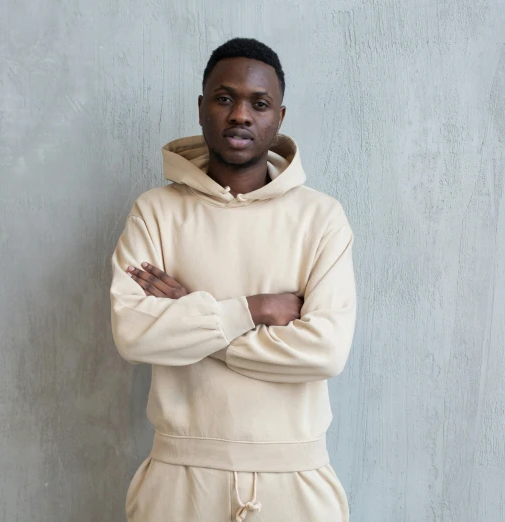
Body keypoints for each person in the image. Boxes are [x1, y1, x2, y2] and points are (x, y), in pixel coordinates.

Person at [110, 37, 357, 522]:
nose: (240, 114)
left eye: (258, 103)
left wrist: (197, 319)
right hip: (179, 482)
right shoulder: (155, 212)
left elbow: (327, 350)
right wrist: (255, 309)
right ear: (202, 108)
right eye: (225, 99)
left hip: (296, 482)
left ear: (279, 117)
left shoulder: (321, 218)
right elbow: (133, 333)